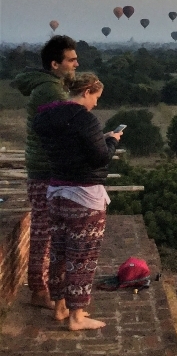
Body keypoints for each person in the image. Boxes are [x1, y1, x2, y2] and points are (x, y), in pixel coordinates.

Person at [31, 72, 118, 331]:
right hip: (84, 196)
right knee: (82, 256)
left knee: (58, 252)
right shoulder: (85, 119)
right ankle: (77, 317)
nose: (96, 104)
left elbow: (68, 148)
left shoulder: (45, 117)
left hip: (56, 191)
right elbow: (100, 158)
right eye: (96, 97)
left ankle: (60, 307)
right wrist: (111, 141)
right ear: (87, 91)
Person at [10, 35, 77, 311]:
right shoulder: (51, 91)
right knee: (44, 231)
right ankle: (38, 289)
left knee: (45, 229)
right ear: (54, 64)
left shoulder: (46, 84)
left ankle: (42, 286)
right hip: (45, 169)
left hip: (41, 167)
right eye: (71, 61)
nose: (76, 65)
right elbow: (69, 127)